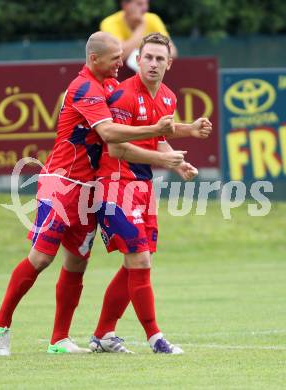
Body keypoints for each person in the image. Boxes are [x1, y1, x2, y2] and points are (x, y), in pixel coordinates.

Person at [0, 31, 184, 356]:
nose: (122, 63)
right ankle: (1, 324)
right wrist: (156, 132)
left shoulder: (110, 86)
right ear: (94, 60)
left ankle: (59, 339)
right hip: (61, 185)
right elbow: (109, 134)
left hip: (90, 191)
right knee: (40, 259)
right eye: (115, 59)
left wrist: (182, 132)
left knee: (77, 263)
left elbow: (140, 125)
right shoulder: (84, 88)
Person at [88, 33, 212, 354]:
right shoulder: (123, 95)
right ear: (137, 60)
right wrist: (163, 159)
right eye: (148, 57)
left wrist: (178, 163)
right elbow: (116, 147)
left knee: (136, 263)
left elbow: (157, 137)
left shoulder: (168, 98)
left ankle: (103, 334)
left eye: (160, 58)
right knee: (140, 259)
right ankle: (156, 338)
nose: (153, 63)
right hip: (114, 185)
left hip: (142, 188)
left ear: (169, 64)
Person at [100, 0, 177, 70]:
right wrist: (141, 26)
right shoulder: (109, 22)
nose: (145, 8)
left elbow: (172, 51)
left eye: (146, 3)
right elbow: (118, 54)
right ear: (125, 5)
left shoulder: (153, 19)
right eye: (139, 4)